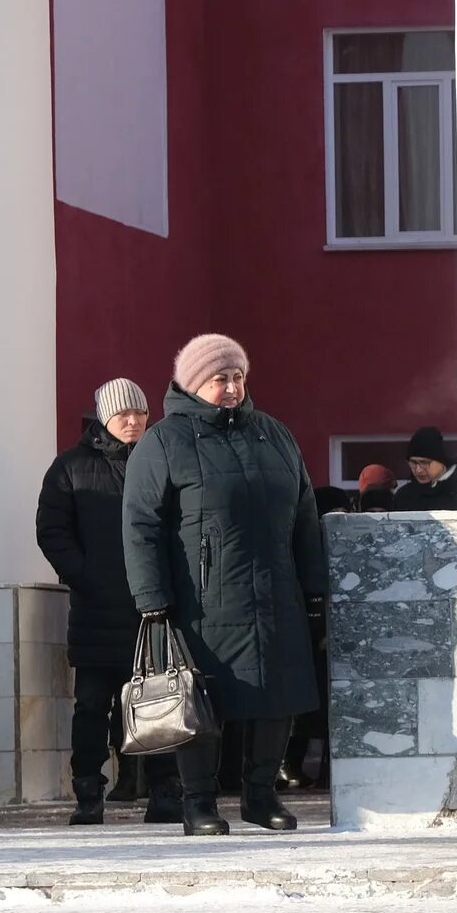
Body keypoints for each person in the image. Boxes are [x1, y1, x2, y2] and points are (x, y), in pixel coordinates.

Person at [122, 335, 326, 836]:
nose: (232, 387)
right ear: (194, 385)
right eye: (220, 379)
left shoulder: (274, 435)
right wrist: (151, 598)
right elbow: (140, 524)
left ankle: (261, 796)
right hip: (201, 602)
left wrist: (315, 585)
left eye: (238, 377)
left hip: (276, 595)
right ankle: (199, 804)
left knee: (276, 698)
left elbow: (304, 514)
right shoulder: (164, 441)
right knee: (202, 704)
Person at [37, 379, 175, 825]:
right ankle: (88, 794)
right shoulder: (71, 467)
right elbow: (52, 530)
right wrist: (85, 575)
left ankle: (163, 792)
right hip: (97, 607)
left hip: (152, 608)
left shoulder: (163, 458)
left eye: (139, 412)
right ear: (104, 418)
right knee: (92, 705)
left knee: (157, 703)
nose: (133, 421)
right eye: (123, 415)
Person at [391, 426, 457, 510]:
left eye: (424, 463)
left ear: (441, 461)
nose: (418, 470)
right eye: (413, 463)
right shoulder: (404, 496)